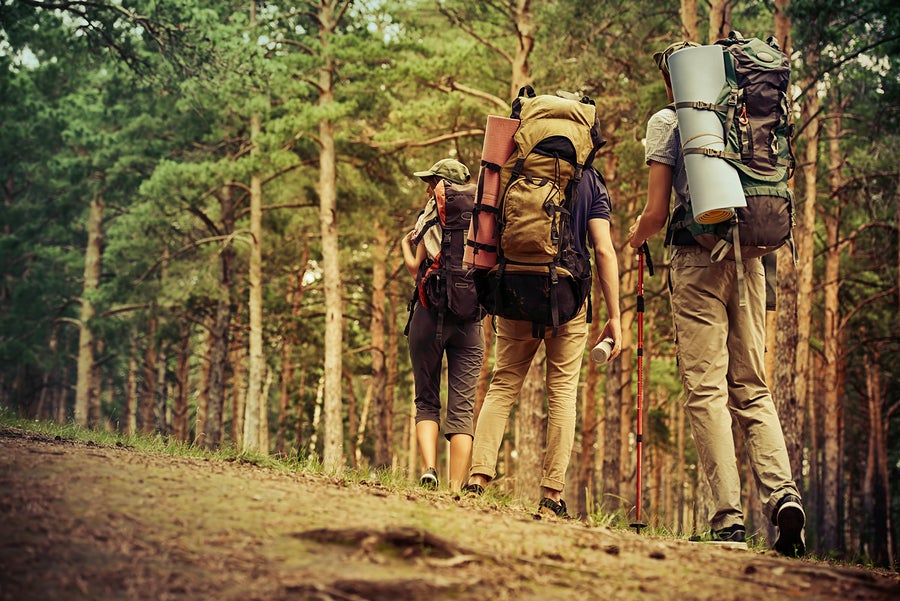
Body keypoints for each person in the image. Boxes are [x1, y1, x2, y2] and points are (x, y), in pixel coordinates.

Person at [625, 41, 806, 557]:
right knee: (753, 387)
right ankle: (783, 494)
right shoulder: (748, 117)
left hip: (696, 257)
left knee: (707, 389)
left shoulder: (667, 122)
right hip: (750, 259)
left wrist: (635, 239)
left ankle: (727, 519)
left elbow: (657, 211)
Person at [463, 163, 622, 518]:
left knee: (502, 385)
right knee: (563, 393)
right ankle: (551, 495)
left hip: (515, 288)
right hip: (567, 296)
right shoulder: (590, 179)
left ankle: (477, 480)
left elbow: (485, 226)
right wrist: (615, 316)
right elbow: (604, 249)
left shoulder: (513, 168)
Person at [401, 158, 485, 491]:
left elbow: (414, 268)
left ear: (441, 185)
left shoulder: (430, 213)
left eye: (431, 180)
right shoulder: (483, 215)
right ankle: (454, 489)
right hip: (469, 318)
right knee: (462, 407)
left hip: (427, 311)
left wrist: (403, 245)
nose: (427, 186)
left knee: (426, 399)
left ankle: (429, 469)